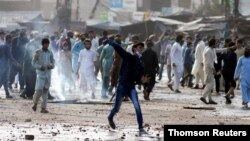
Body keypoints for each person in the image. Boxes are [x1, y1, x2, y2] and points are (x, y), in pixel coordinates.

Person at [107, 40, 150, 134]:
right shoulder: (128, 57)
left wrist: (142, 82)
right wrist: (109, 41)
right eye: (139, 48)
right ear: (134, 49)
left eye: (142, 48)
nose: (141, 50)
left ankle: (140, 128)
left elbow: (139, 79)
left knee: (137, 106)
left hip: (131, 87)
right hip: (122, 86)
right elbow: (118, 48)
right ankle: (110, 117)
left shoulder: (141, 65)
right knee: (117, 108)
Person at [32, 38, 55, 113]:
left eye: (48, 44)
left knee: (45, 91)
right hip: (40, 75)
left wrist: (51, 66)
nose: (47, 45)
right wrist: (40, 67)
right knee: (39, 89)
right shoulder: (37, 52)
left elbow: (53, 61)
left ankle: (43, 108)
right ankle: (35, 103)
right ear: (43, 44)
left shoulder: (50, 52)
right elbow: (33, 63)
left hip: (48, 75)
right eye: (46, 44)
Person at [0, 34, 20, 98]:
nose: (11, 40)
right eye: (11, 39)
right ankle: (7, 93)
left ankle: (7, 93)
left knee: (5, 80)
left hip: (2, 64)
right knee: (3, 79)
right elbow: (10, 56)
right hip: (5, 65)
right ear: (8, 39)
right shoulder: (7, 46)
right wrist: (16, 63)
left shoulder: (2, 45)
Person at [200, 39, 217, 104]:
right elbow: (208, 62)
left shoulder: (210, 49)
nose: (216, 44)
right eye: (215, 43)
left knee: (209, 83)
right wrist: (213, 69)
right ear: (213, 44)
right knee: (211, 84)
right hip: (209, 69)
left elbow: (217, 50)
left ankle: (210, 99)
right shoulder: (208, 51)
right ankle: (203, 96)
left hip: (208, 68)